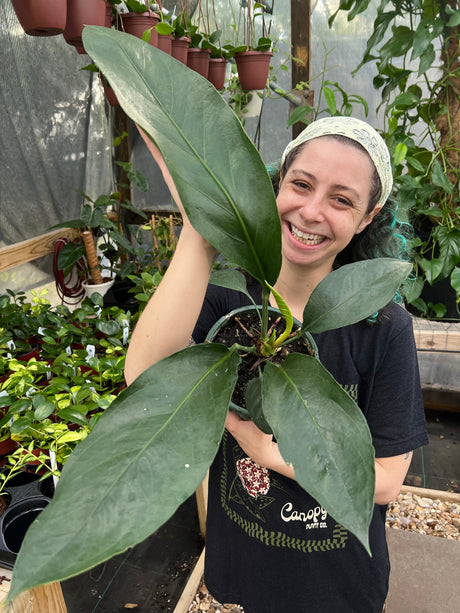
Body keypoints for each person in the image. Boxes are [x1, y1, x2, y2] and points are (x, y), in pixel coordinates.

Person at [125, 117, 428, 613]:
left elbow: (388, 480)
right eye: (301, 184)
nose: (311, 212)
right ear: (278, 180)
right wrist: (199, 234)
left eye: (341, 199)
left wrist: (263, 449)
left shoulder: (382, 327)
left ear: (368, 217)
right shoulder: (226, 294)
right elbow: (145, 374)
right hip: (245, 550)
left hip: (338, 576)